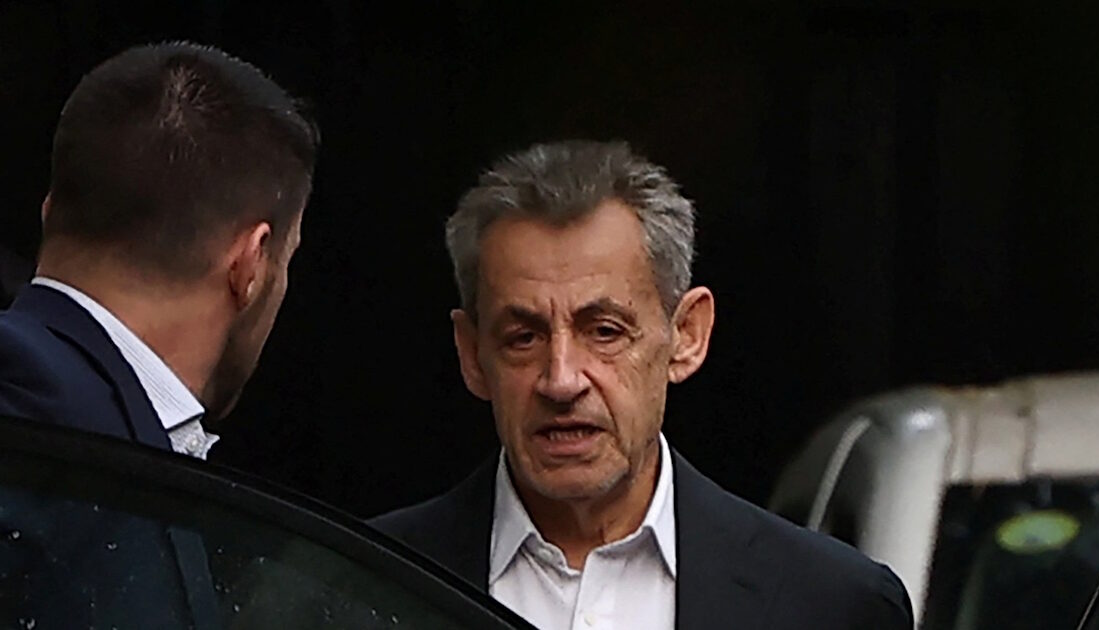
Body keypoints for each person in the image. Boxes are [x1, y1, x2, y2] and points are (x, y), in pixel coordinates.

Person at [370, 140, 913, 629]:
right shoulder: (363, 585)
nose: (562, 380)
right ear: (471, 354)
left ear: (687, 336)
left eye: (604, 331)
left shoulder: (831, 605)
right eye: (524, 338)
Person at [0, 41, 317, 629]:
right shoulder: (26, 394)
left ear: (49, 213)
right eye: (287, 258)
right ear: (251, 265)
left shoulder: (122, 445)